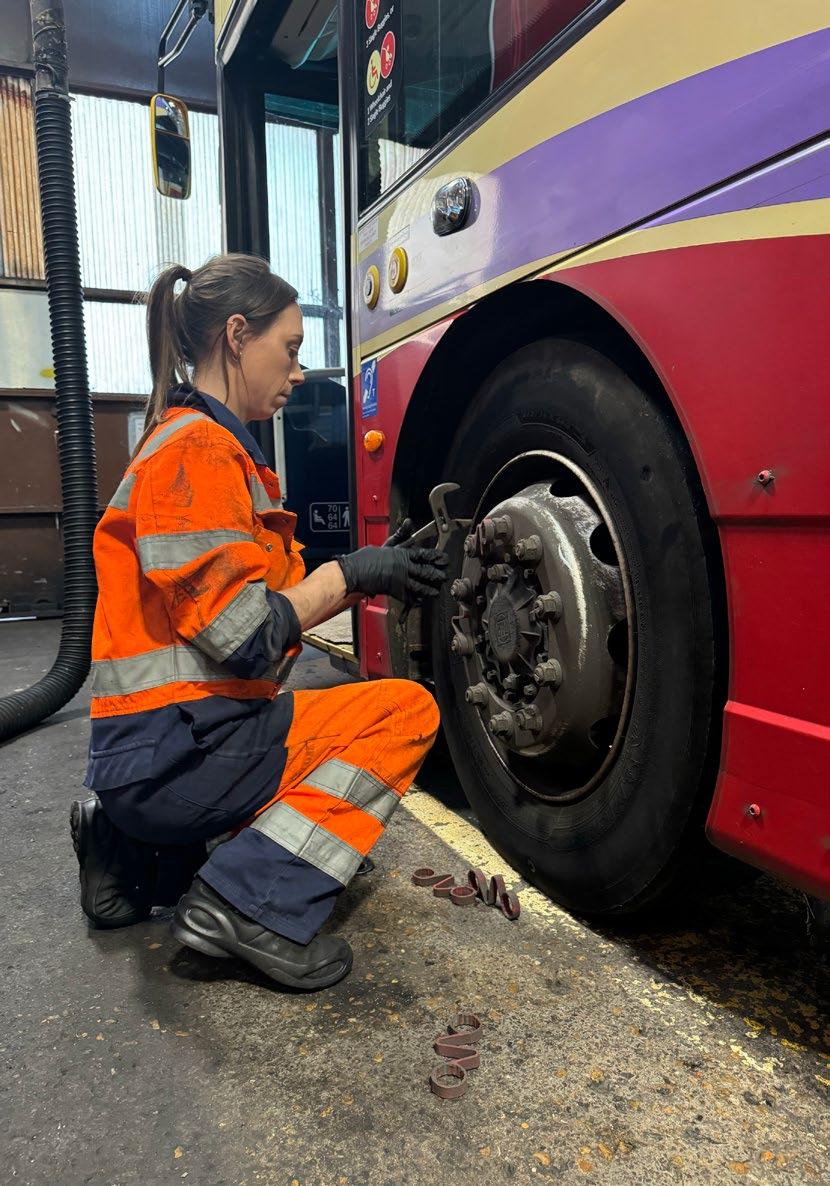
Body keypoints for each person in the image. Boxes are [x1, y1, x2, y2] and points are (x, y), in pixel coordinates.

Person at [71, 254, 447, 991]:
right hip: (180, 757)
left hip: (150, 758)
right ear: (238, 336)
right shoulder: (197, 452)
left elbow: (268, 611)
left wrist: (371, 572)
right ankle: (246, 908)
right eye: (292, 348)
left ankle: (120, 846)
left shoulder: (197, 449)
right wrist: (353, 574)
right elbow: (246, 638)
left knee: (310, 797)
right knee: (404, 714)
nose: (299, 372)